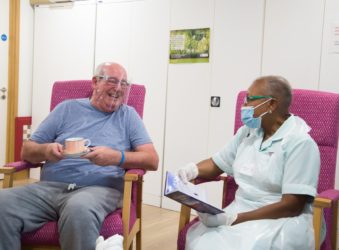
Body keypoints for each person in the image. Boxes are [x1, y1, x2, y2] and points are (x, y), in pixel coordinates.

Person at [0, 62, 159, 250]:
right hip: (50, 188)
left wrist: (117, 157)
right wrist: (46, 151)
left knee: (78, 208)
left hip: (98, 190)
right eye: (113, 81)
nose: (118, 88)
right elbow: (27, 150)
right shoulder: (66, 109)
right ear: (95, 82)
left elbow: (152, 159)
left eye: (124, 84)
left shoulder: (128, 116)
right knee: (2, 203)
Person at [178, 76, 322, 250]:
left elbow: (292, 206)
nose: (244, 105)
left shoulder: (300, 143)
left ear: (271, 105)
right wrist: (192, 170)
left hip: (280, 221)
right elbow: (217, 163)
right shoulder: (248, 132)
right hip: (240, 210)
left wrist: (233, 219)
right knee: (203, 243)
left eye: (250, 99)